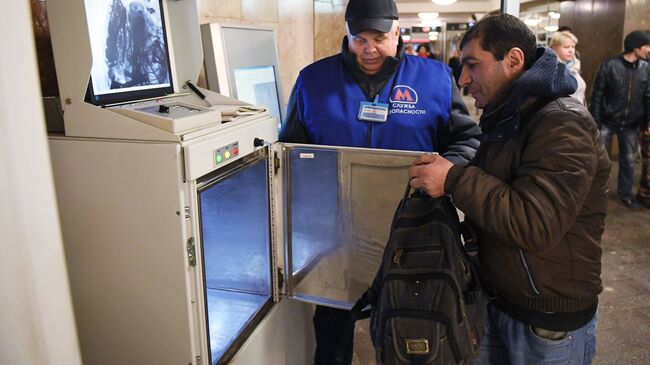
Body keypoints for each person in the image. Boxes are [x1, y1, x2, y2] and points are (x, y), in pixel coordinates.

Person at [278, 0, 482, 363]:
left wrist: (447, 171)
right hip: (336, 233)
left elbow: (466, 139)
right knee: (332, 334)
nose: (369, 49)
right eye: (360, 39)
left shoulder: (433, 78)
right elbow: (290, 149)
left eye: (379, 37)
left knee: (412, 331)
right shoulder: (314, 81)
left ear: (398, 32)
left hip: (413, 230)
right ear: (348, 35)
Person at [408, 14, 610, 364]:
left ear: (513, 60)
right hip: (498, 302)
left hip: (545, 324)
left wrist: (454, 179)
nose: (463, 79)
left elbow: (536, 222)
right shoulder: (508, 117)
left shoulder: (562, 122)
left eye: (473, 65)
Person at [589, 30, 650, 208]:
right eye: (646, 46)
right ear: (636, 47)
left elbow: (648, 97)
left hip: (631, 124)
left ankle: (625, 195)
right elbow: (597, 95)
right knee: (600, 161)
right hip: (607, 122)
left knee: (629, 161)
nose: (649, 49)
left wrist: (647, 123)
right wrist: (595, 123)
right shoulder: (609, 65)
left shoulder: (646, 68)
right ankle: (594, 195)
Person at [549, 31, 586, 104]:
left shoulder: (575, 66)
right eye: (566, 47)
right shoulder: (550, 68)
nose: (571, 50)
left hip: (578, 111)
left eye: (573, 47)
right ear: (554, 47)